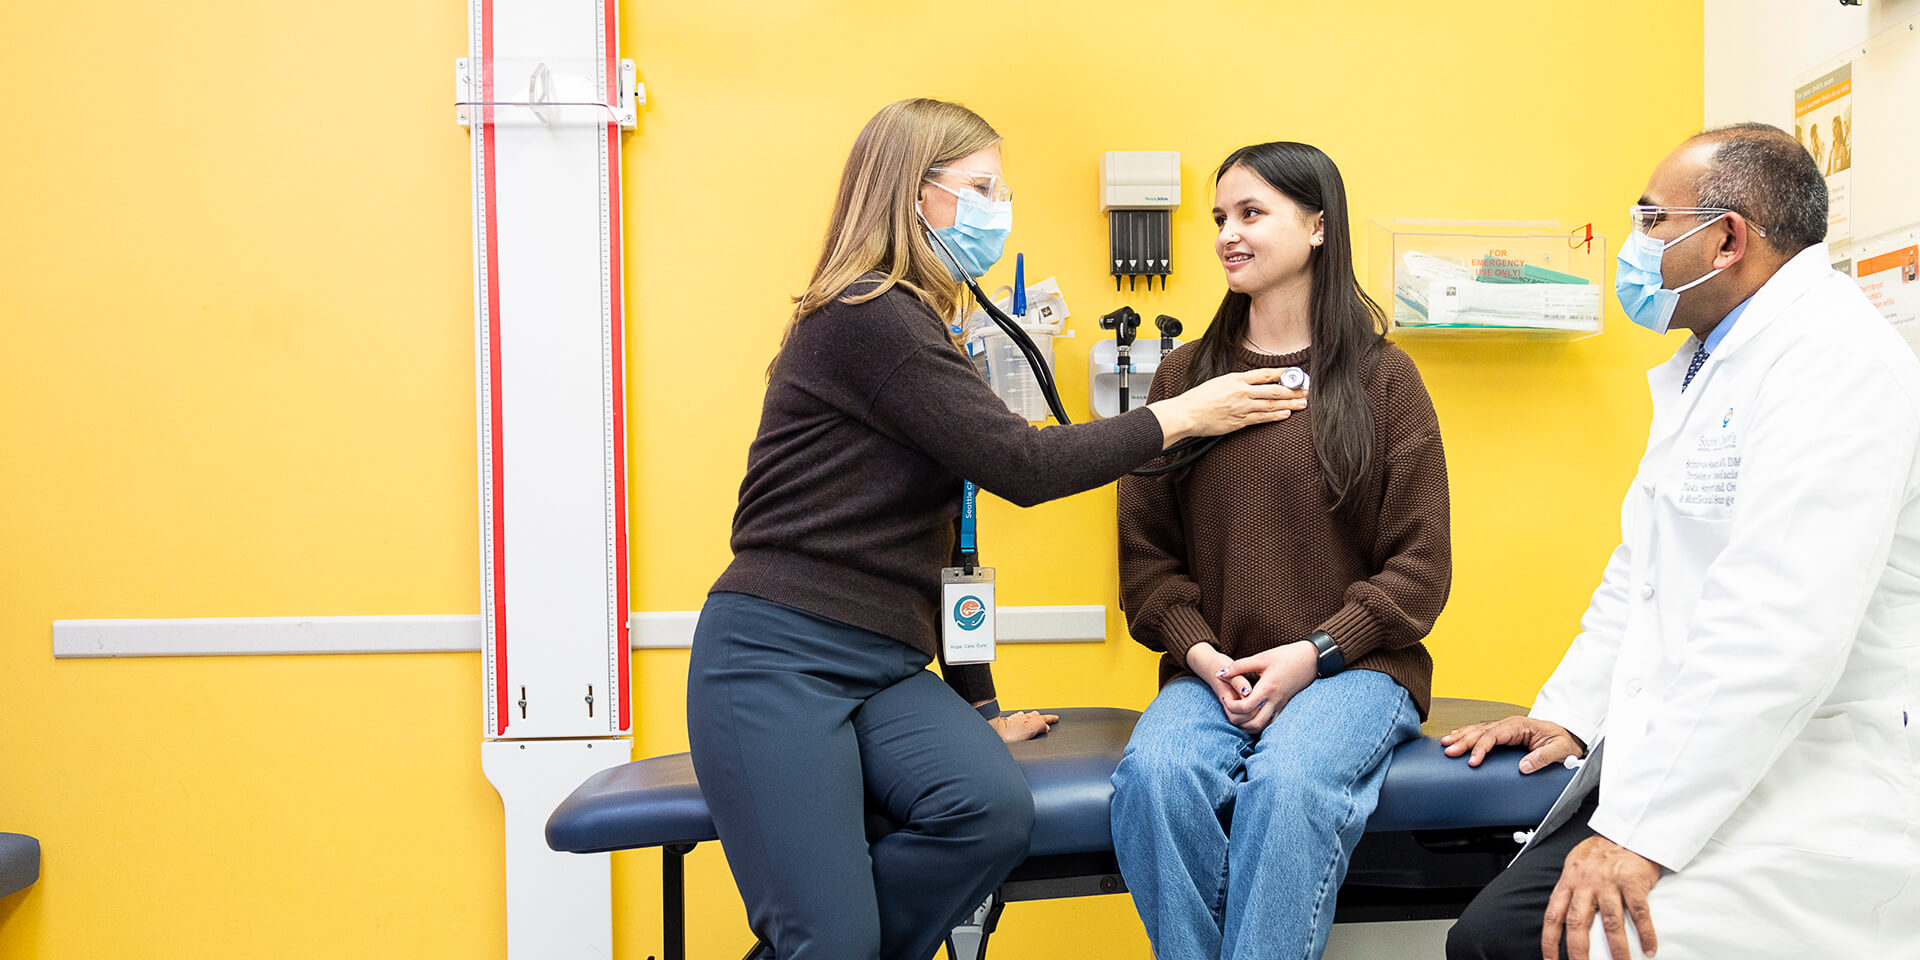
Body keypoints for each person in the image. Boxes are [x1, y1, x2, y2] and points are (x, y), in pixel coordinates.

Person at [684, 98, 1310, 960]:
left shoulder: (923, 326)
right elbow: (1023, 468)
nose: (997, 208)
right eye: (980, 188)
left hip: (886, 666)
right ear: (914, 197)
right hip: (777, 656)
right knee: (830, 938)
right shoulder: (869, 317)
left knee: (990, 815)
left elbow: (947, 543)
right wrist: (1182, 414)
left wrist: (978, 707)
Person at [1443, 122, 1920, 960]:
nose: (1635, 247)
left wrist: (1640, 837)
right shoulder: (1718, 361)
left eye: (1651, 221)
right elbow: (1649, 574)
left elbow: (1779, 632)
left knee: (1515, 943)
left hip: (1818, 770)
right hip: (1708, 759)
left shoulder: (1835, 363)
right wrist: (1569, 713)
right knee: (1492, 935)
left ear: (1727, 239)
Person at [1109, 141, 1453, 960]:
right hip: (1213, 670)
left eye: (1252, 213)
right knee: (1155, 780)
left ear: (1318, 227)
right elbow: (1146, 559)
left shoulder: (1383, 380)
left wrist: (1313, 652)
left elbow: (1420, 567)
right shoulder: (1182, 378)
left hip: (1356, 670)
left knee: (1289, 784)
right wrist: (1200, 654)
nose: (1228, 233)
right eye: (1220, 217)